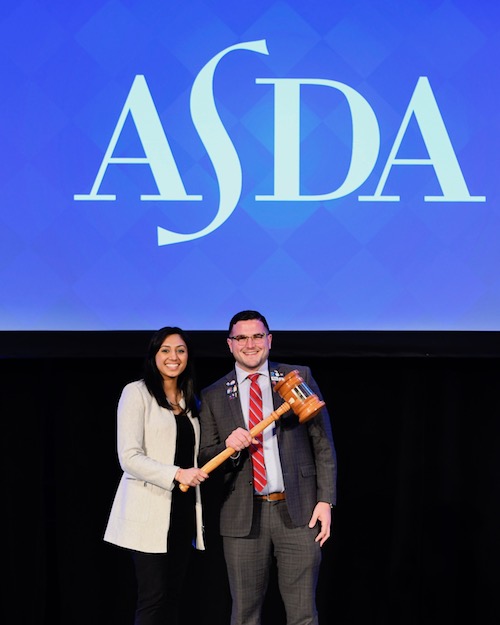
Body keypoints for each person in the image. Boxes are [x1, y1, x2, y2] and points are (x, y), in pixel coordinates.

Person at [199, 310, 337, 625]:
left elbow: (323, 444)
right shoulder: (213, 395)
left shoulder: (298, 376)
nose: (250, 344)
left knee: (303, 614)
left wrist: (325, 501)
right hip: (242, 519)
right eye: (241, 338)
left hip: (300, 512)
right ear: (230, 344)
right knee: (245, 615)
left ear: (269, 340)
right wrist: (228, 447)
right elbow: (206, 458)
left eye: (258, 336)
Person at [104, 326, 209, 625]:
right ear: (154, 355)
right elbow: (129, 457)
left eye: (180, 350)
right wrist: (177, 474)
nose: (173, 357)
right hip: (149, 512)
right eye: (165, 350)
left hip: (183, 513)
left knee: (173, 597)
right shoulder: (136, 392)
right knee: (153, 600)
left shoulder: (191, 401)